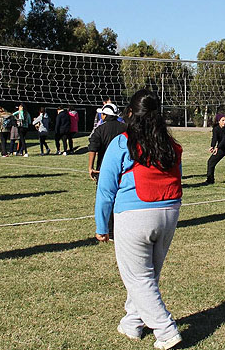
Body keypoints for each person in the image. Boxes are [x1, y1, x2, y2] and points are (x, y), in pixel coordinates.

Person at [94, 89, 183, 350]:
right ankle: (133, 323)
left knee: (138, 278)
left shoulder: (123, 142)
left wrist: (102, 225)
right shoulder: (170, 143)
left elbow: (105, 189)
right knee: (147, 276)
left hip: (135, 214)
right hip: (169, 212)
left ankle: (166, 331)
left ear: (130, 113)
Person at [88, 103, 126, 180]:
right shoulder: (125, 127)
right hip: (123, 167)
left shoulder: (100, 129)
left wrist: (90, 167)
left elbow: (93, 148)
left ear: (105, 115)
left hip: (104, 167)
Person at [205, 113, 225, 185]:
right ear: (218, 121)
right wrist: (212, 146)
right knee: (211, 161)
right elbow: (214, 138)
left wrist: (217, 147)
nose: (224, 122)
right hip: (222, 147)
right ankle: (210, 180)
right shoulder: (216, 128)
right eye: (222, 120)